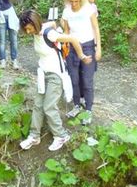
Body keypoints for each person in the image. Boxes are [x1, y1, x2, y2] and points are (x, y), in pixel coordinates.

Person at [18, 10, 92, 151]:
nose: (28, 32)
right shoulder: (41, 30)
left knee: (49, 106)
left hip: (55, 75)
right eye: (25, 29)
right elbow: (52, 23)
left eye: (29, 28)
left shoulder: (50, 34)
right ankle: (34, 136)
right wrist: (46, 27)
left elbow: (73, 39)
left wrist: (82, 56)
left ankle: (61, 135)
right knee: (38, 105)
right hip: (43, 74)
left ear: (35, 23)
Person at [61, 0, 102, 125]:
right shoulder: (67, 11)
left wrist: (98, 48)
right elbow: (66, 31)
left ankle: (88, 110)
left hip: (88, 46)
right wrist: (64, 48)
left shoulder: (88, 9)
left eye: (76, 1)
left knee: (87, 80)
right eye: (71, 1)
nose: (73, 4)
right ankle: (77, 105)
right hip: (72, 47)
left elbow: (96, 29)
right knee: (74, 79)